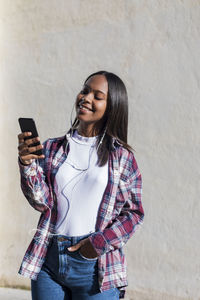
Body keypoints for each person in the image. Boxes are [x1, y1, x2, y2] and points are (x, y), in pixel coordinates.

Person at [17, 70, 144, 300]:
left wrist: (97, 244)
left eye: (97, 96)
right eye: (85, 91)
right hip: (49, 259)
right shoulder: (52, 148)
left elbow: (133, 213)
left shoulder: (121, 157)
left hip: (96, 266)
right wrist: (27, 165)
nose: (86, 98)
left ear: (112, 106)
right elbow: (40, 202)